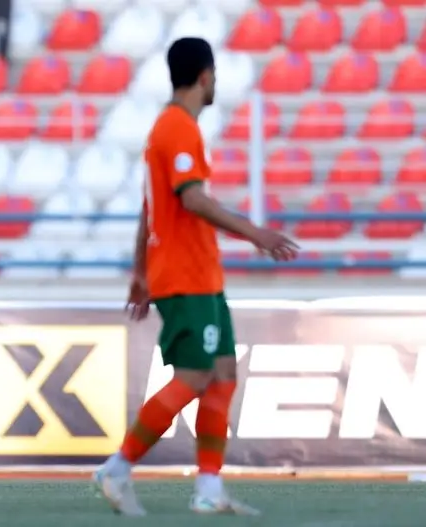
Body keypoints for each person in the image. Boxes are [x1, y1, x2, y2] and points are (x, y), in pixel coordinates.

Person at [93, 38, 299, 517]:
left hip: (200, 275)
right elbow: (192, 199)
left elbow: (150, 208)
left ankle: (208, 489)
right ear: (205, 77)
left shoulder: (168, 128)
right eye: (215, 77)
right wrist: (254, 232)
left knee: (223, 375)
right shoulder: (178, 129)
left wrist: (140, 272)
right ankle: (117, 468)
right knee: (195, 377)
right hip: (186, 276)